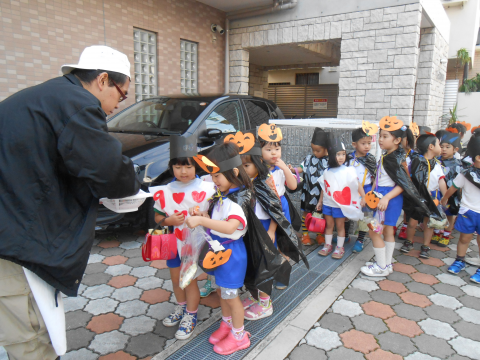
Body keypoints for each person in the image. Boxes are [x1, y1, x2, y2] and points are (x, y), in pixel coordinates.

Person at [0, 45, 140, 360]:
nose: (118, 105)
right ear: (103, 80)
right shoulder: (77, 103)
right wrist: (134, 185)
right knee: (31, 341)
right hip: (13, 247)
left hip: (11, 229)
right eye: (122, 94)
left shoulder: (36, 98)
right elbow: (110, 172)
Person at [230, 132, 307, 320]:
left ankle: (265, 304)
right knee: (254, 263)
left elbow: (276, 209)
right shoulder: (247, 181)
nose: (242, 169)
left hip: (265, 228)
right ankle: (255, 296)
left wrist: (272, 230)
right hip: (253, 228)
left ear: (256, 164)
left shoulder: (267, 182)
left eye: (246, 165)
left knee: (263, 264)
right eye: (241, 165)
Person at [187, 143, 253, 355]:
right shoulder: (222, 196)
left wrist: (201, 221)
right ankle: (226, 324)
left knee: (232, 297)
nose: (213, 181)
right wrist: (204, 216)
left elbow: (230, 226)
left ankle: (239, 335)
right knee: (221, 291)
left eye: (217, 176)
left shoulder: (237, 200)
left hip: (232, 255)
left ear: (233, 173)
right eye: (212, 175)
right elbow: (219, 221)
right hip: (220, 253)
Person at [149, 134, 215, 340]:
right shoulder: (166, 190)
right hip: (173, 241)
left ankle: (191, 314)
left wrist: (204, 216)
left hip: (195, 243)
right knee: (176, 279)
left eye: (187, 166)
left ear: (196, 165)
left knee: (190, 280)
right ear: (171, 168)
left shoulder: (207, 188)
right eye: (178, 167)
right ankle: (181, 306)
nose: (183, 171)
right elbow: (157, 215)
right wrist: (168, 221)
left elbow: (214, 213)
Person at [360, 117, 430, 276]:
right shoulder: (389, 156)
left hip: (388, 200)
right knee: (388, 232)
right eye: (380, 136)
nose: (380, 140)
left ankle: (381, 267)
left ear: (397, 140)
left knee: (374, 231)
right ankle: (386, 263)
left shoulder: (396, 159)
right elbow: (378, 178)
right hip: (383, 198)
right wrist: (370, 194)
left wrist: (385, 198)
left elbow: (403, 184)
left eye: (385, 136)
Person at [259, 124, 299, 289]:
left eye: (277, 148)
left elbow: (293, 186)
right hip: (263, 208)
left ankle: (282, 277)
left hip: (280, 207)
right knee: (267, 243)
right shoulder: (258, 170)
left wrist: (285, 169)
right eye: (268, 149)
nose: (274, 153)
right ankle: (266, 275)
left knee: (283, 243)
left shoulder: (282, 169)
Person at [317, 136, 365, 259]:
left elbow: (357, 184)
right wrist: (320, 201)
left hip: (340, 204)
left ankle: (339, 247)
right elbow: (324, 186)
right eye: (338, 154)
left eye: (343, 154)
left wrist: (364, 197)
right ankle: (327, 245)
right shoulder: (327, 171)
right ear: (331, 155)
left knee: (340, 226)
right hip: (328, 203)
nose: (341, 157)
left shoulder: (348, 170)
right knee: (329, 225)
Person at [400, 134, 447, 259]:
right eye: (439, 145)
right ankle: (409, 241)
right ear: (431, 147)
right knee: (412, 222)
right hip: (417, 197)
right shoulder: (417, 162)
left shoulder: (437, 165)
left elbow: (441, 181)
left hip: (431, 198)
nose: (441, 148)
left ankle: (426, 246)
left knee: (429, 223)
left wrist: (445, 197)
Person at [441, 137, 480, 283]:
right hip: (467, 212)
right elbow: (454, 187)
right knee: (464, 238)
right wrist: (445, 198)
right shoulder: (466, 173)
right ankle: (459, 260)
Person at [288, 128, 329, 246]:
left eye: (318, 150)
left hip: (322, 193)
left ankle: (319, 235)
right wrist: (292, 169)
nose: (315, 153)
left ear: (326, 149)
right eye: (313, 150)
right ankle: (305, 235)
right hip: (308, 191)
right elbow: (301, 168)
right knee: (306, 214)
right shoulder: (309, 158)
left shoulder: (329, 161)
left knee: (321, 215)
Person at [347, 127, 378, 252]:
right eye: (363, 143)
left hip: (366, 190)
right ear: (354, 144)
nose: (367, 146)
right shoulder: (348, 158)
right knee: (347, 213)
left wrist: (371, 192)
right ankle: (345, 236)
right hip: (350, 190)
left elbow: (376, 176)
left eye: (369, 143)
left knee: (365, 216)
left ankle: (360, 239)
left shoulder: (370, 159)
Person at [435, 130, 463, 247]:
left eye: (448, 147)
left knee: (450, 215)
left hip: (452, 195)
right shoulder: (436, 162)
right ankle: (436, 232)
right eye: (442, 146)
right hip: (437, 193)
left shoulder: (458, 165)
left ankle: (446, 234)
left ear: (455, 149)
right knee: (437, 213)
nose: (444, 149)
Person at [398, 126, 419, 240]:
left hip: (409, 184)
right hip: (396, 185)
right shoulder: (394, 153)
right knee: (396, 205)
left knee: (407, 207)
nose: (400, 140)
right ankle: (392, 225)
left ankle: (405, 226)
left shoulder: (414, 156)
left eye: (403, 138)